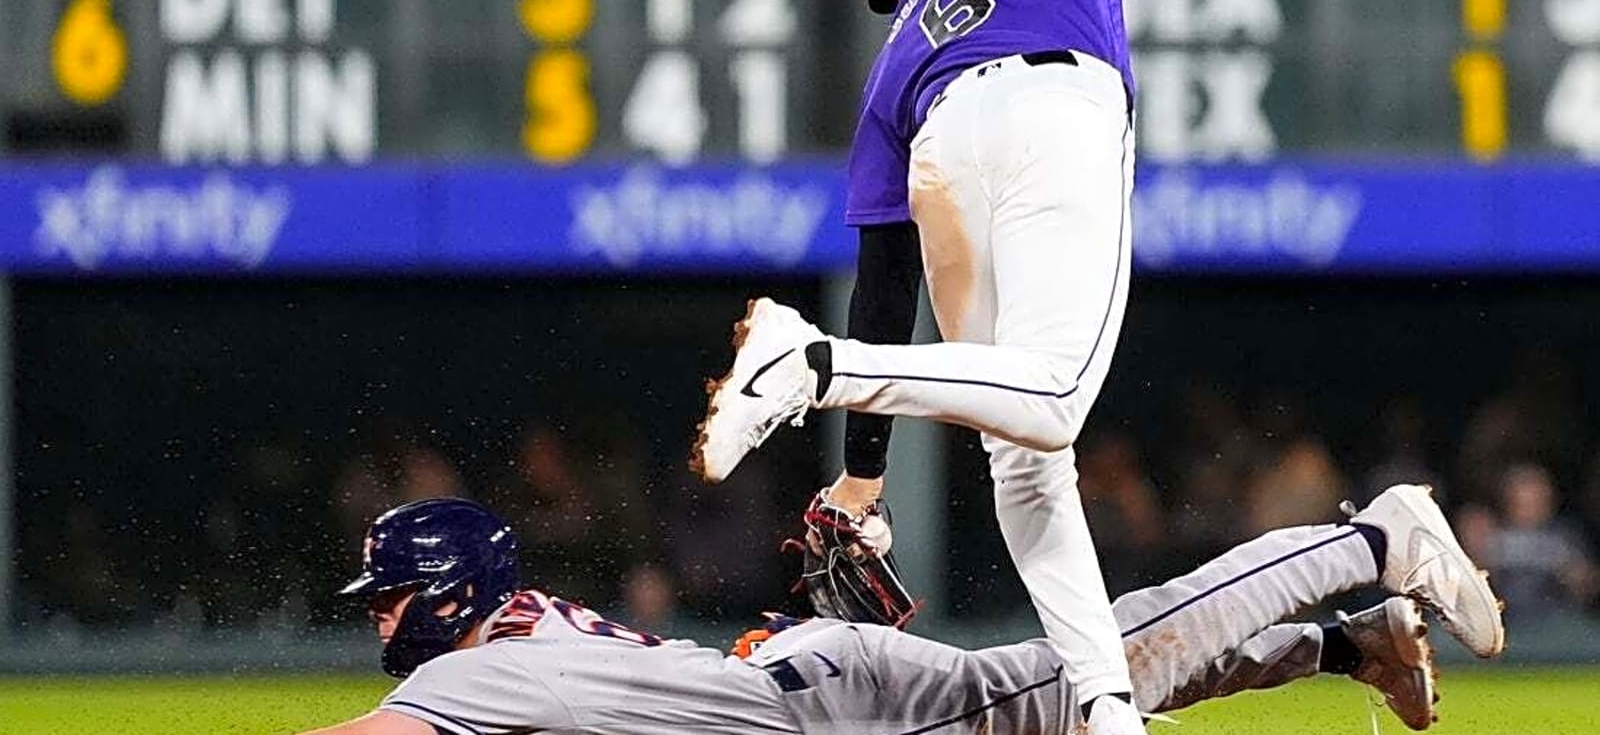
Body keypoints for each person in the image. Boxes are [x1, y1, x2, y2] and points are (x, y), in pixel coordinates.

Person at [692, 0, 1445, 729]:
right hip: (1051, 112)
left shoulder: (894, 57)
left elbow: (887, 283)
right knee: (1051, 402)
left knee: (1025, 461)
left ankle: (1105, 707)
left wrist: (862, 479)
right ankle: (810, 369)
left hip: (940, 142)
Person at [299, 485, 1503, 734]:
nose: (376, 618)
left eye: (388, 594)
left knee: (1111, 663)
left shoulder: (457, 679)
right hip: (801, 675)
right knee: (1091, 689)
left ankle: (1368, 540)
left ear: (445, 592)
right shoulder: (527, 632)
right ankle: (1350, 641)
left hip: (837, 714)